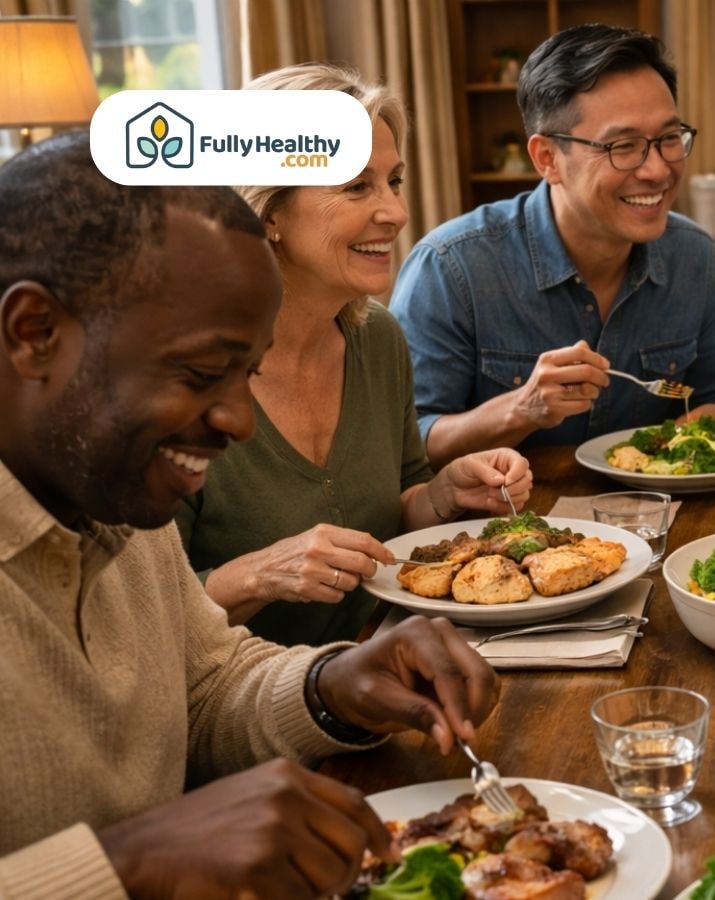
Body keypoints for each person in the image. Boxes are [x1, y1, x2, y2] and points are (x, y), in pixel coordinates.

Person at [0, 131, 499, 898]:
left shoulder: (119, 496)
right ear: (34, 334)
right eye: (202, 374)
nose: (236, 421)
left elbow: (204, 684)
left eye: (249, 373)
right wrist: (127, 864)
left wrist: (331, 684)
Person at [176, 63, 532, 647]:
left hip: (388, 659)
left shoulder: (378, 338)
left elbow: (398, 507)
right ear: (267, 212)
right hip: (241, 709)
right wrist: (260, 574)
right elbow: (140, 620)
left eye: (394, 181)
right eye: (355, 185)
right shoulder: (174, 380)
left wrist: (442, 496)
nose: (396, 212)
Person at [391, 24, 715, 460]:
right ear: (547, 159)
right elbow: (406, 445)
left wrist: (678, 449)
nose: (657, 170)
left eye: (669, 139)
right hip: (505, 524)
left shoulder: (695, 257)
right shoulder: (450, 268)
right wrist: (522, 408)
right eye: (623, 146)